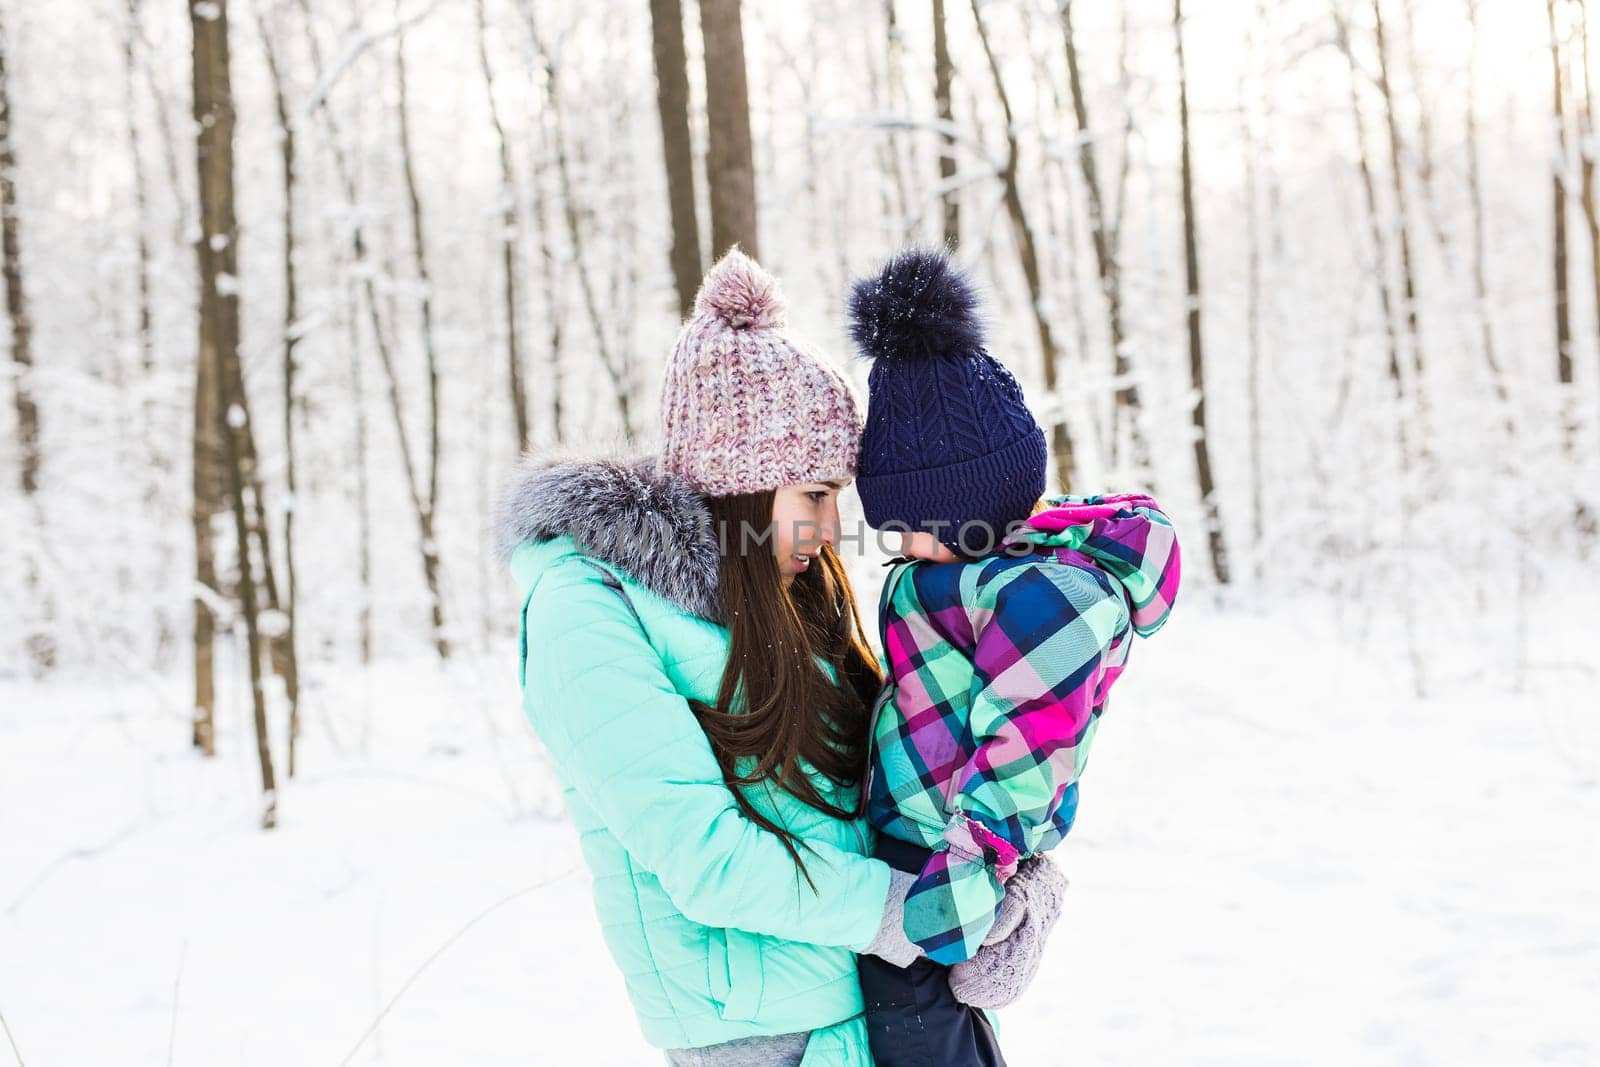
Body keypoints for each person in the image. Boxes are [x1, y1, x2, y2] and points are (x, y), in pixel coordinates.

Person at [496, 249, 1049, 1066]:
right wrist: (914, 908)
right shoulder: (588, 610)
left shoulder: (778, 584)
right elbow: (708, 858)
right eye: (817, 496)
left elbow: (883, 777)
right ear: (744, 484)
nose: (834, 532)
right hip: (763, 1037)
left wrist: (1009, 879)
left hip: (885, 997)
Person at [845, 248, 1184, 1066]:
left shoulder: (1047, 600)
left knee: (921, 1042)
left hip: (945, 866)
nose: (896, 546)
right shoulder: (971, 577)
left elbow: (1025, 755)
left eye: (906, 526)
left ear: (967, 507)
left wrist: (957, 893)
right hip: (914, 850)